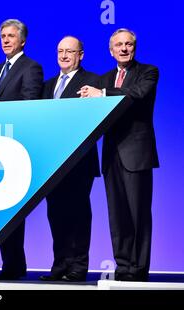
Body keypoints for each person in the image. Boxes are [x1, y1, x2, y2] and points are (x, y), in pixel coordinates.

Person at [79, 28, 159, 282]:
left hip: (137, 154)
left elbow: (137, 95)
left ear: (134, 47)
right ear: (110, 50)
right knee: (118, 215)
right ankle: (123, 266)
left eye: (128, 44)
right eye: (118, 45)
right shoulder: (104, 78)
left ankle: (139, 268)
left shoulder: (148, 72)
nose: (124, 49)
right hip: (111, 156)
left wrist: (101, 95)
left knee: (138, 214)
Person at [0, 19, 44, 280]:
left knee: (15, 209)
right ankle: (10, 265)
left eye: (11, 36)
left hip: (19, 146)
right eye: (2, 36)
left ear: (22, 41)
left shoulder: (32, 67)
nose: (5, 40)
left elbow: (29, 107)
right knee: (2, 208)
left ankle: (16, 267)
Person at [39, 36, 100, 282]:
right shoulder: (47, 85)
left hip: (79, 162)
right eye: (60, 51)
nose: (64, 55)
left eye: (70, 51)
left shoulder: (92, 81)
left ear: (81, 55)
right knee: (55, 214)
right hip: (52, 162)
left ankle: (77, 267)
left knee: (78, 214)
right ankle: (59, 266)